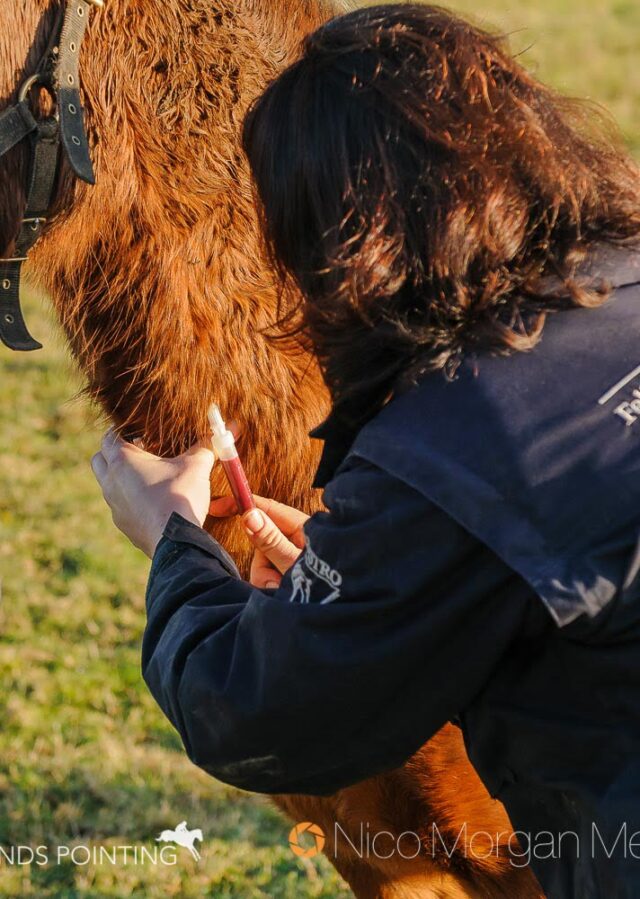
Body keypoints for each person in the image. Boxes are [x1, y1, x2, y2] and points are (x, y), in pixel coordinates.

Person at [91, 5, 640, 896]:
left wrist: (173, 544)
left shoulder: (451, 446)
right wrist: (362, 569)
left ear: (345, 246)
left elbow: (263, 711)